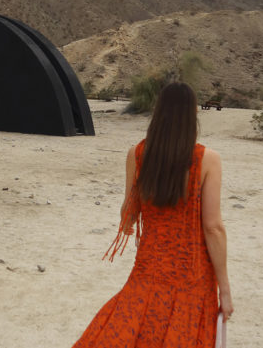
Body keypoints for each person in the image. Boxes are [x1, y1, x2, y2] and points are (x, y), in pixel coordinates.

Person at [72, 82, 233, 348]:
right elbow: (213, 227)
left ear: (158, 113)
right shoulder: (208, 159)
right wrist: (225, 289)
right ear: (192, 114)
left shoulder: (138, 154)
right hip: (192, 275)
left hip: (149, 267)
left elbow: (129, 213)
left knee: (134, 329)